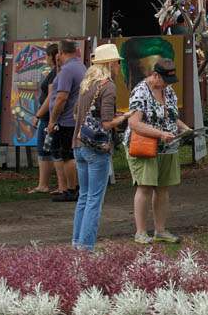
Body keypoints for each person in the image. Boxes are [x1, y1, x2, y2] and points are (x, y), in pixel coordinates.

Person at [71, 44, 133, 251]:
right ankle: (86, 246)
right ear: (109, 64)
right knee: (94, 200)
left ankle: (77, 243)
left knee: (84, 197)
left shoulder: (87, 84)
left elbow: (76, 114)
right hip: (97, 147)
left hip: (78, 143)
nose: (118, 65)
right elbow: (106, 123)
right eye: (116, 62)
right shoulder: (108, 86)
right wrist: (124, 117)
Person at [126, 58, 191, 244]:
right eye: (164, 81)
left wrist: (185, 128)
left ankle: (160, 230)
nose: (167, 85)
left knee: (163, 188)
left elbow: (171, 116)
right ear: (155, 75)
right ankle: (140, 232)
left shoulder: (168, 90)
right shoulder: (140, 92)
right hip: (144, 146)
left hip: (168, 147)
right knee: (145, 186)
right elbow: (134, 123)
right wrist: (160, 134)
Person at [47, 40, 86, 202]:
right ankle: (75, 187)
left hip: (66, 120)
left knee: (67, 156)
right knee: (71, 154)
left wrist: (53, 120)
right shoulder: (81, 66)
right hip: (75, 118)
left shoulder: (67, 70)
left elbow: (62, 97)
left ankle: (72, 189)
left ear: (61, 52)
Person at [29, 43, 66, 195]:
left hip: (49, 118)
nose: (45, 58)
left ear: (53, 56)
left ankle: (61, 185)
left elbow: (52, 96)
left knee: (53, 151)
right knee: (44, 151)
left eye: (46, 55)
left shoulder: (56, 74)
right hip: (46, 117)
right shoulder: (53, 72)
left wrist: (38, 114)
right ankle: (43, 184)